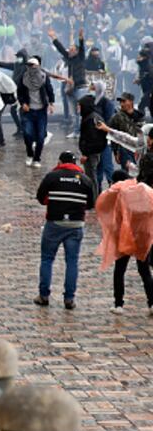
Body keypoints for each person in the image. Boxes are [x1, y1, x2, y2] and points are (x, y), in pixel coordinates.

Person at [34, 151, 96, 310]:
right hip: (75, 225)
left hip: (55, 223)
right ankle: (69, 299)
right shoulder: (86, 180)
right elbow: (90, 204)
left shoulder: (52, 176)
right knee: (72, 261)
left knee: (47, 259)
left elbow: (41, 198)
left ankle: (44, 295)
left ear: (60, 162)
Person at [102, 170, 153, 316]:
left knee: (120, 270)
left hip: (125, 236)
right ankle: (152, 302)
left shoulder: (118, 194)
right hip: (143, 236)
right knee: (144, 271)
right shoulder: (142, 191)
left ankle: (119, 304)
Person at [17, 57, 55, 167]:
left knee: (40, 136)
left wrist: (51, 103)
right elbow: (19, 92)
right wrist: (23, 103)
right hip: (28, 111)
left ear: (38, 66)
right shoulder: (23, 78)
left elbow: (49, 89)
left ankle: (37, 158)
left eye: (33, 65)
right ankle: (29, 153)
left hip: (41, 111)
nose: (30, 67)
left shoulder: (44, 77)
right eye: (29, 65)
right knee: (27, 133)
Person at [50, 28, 87, 138]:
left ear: (76, 51)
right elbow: (60, 49)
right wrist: (53, 37)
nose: (69, 51)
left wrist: (81, 38)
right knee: (74, 113)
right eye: (69, 49)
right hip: (71, 88)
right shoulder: (69, 58)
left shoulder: (80, 57)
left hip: (81, 87)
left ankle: (83, 132)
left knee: (82, 111)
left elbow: (82, 48)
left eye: (72, 49)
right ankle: (76, 131)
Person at [77, 94, 108, 197]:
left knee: (91, 178)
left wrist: (85, 153)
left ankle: (93, 200)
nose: (78, 108)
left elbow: (92, 139)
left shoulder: (90, 119)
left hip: (91, 154)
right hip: (96, 152)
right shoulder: (92, 116)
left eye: (80, 106)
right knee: (94, 177)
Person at [109, 92, 145, 172]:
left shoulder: (140, 116)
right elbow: (113, 135)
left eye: (124, 101)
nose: (122, 104)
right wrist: (115, 152)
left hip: (138, 149)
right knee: (128, 173)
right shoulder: (117, 117)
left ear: (131, 102)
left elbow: (142, 134)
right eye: (120, 102)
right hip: (124, 148)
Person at [0, 48, 29, 139]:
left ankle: (24, 131)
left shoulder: (26, 67)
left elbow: (19, 78)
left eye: (20, 57)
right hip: (14, 91)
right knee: (13, 111)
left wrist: (11, 84)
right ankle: (20, 128)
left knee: (21, 112)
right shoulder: (16, 65)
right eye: (17, 57)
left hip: (23, 92)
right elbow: (5, 65)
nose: (18, 58)